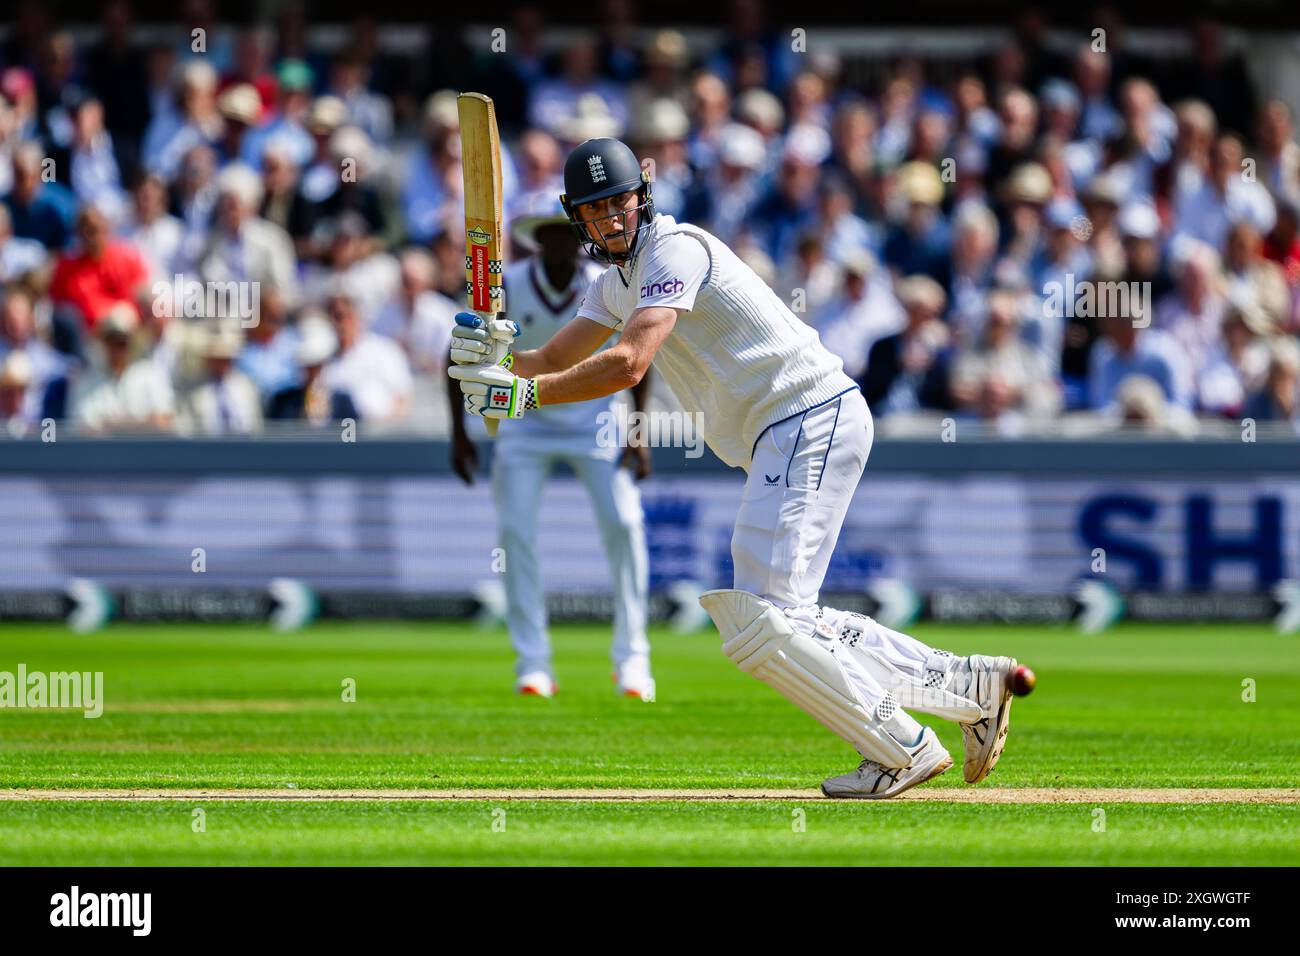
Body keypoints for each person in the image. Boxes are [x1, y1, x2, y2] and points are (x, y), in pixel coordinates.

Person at [450, 137, 1033, 798]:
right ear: (574, 216)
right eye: (596, 208)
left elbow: (629, 363)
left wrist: (520, 396)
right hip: (790, 430)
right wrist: (493, 353)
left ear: (643, 198)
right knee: (787, 619)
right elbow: (551, 357)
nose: (611, 218)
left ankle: (901, 747)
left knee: (762, 618)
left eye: (620, 202)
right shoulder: (615, 283)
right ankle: (967, 686)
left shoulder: (676, 249)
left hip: (809, 415)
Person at [449, 214, 654, 700]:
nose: (561, 246)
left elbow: (640, 357)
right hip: (524, 420)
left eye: (568, 236)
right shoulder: (508, 287)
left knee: (624, 524)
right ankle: (533, 664)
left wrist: (638, 431)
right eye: (551, 237)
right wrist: (459, 434)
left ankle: (633, 662)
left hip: (595, 421)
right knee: (515, 532)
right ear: (538, 243)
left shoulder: (604, 284)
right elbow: (459, 356)